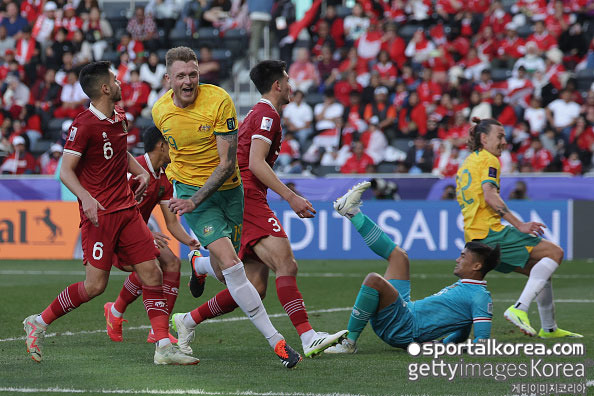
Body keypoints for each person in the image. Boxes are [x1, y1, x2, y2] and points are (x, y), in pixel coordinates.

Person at [22, 61, 198, 365]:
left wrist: (140, 172)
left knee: (153, 272)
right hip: (100, 215)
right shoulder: (83, 124)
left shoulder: (119, 117)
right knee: (95, 286)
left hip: (127, 210)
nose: (119, 83)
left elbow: (120, 152)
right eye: (115, 80)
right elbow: (66, 171)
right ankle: (38, 322)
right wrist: (86, 198)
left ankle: (162, 348)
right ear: (105, 88)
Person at [177, 60, 347, 358]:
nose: (292, 85)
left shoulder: (260, 113)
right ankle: (308, 337)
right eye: (287, 80)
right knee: (286, 263)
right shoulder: (267, 114)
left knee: (254, 285)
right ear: (277, 85)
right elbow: (255, 163)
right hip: (247, 196)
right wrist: (291, 197)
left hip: (240, 195)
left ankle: (188, 318)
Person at [151, 47, 302, 368]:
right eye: (181, 76)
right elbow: (171, 156)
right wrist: (185, 196)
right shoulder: (160, 111)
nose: (188, 81)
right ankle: (279, 343)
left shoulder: (219, 101)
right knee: (235, 269)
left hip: (229, 192)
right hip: (193, 197)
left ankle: (200, 265)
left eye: (193, 74)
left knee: (225, 271)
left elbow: (227, 163)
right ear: (168, 79)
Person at [326, 181, 498, 353]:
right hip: (406, 312)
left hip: (404, 326)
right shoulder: (469, 289)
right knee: (399, 257)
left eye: (463, 256)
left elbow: (482, 344)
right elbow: (463, 326)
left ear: (477, 265)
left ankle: (348, 343)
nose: (457, 259)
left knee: (373, 280)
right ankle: (352, 211)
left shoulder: (479, 297)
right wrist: (443, 345)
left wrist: (440, 348)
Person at [455, 117, 582, 339]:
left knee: (540, 272)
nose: (504, 142)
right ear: (484, 138)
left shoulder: (468, 162)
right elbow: (490, 195)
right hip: (491, 233)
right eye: (500, 136)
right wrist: (520, 224)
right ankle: (519, 308)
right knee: (555, 253)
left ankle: (549, 328)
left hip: (474, 238)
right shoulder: (490, 160)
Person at [103, 126, 201, 343]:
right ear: (161, 145)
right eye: (172, 143)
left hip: (138, 237)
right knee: (151, 267)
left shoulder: (164, 178)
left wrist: (191, 242)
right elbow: (115, 208)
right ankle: (119, 312)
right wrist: (146, 233)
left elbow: (172, 223)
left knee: (172, 263)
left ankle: (154, 327)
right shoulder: (132, 170)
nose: (175, 148)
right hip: (115, 234)